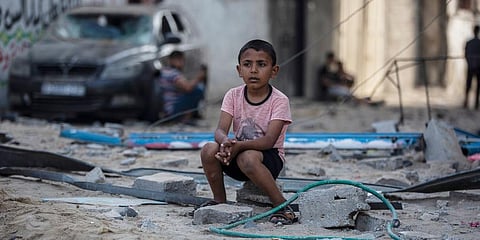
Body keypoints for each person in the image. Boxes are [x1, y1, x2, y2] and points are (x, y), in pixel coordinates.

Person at [199, 39, 297, 224]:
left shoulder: (279, 100)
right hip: (236, 153)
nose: (253, 70)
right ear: (239, 70)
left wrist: (237, 146)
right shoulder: (233, 95)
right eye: (247, 64)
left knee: (248, 157)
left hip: (268, 159)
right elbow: (220, 129)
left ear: (273, 71)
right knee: (208, 149)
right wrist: (225, 142)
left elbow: (269, 141)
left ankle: (282, 206)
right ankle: (219, 199)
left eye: (261, 64)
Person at [159, 50, 206, 123]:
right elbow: (188, 88)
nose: (181, 63)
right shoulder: (173, 73)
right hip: (172, 110)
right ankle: (186, 118)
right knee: (198, 90)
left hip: (167, 109)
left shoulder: (165, 71)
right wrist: (199, 78)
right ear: (171, 61)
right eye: (179, 60)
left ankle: (187, 117)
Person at [464, 25, 480, 110]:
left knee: (469, 86)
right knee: (475, 86)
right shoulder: (472, 43)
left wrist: (470, 63)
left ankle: (467, 102)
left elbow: (466, 54)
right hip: (476, 67)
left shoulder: (469, 43)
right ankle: (475, 103)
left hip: (471, 67)